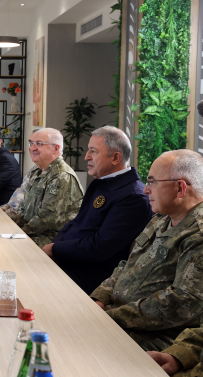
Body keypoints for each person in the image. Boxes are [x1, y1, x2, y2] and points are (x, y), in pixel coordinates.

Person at [91, 150, 203, 352]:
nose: (145, 190)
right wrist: (100, 298)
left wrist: (109, 316)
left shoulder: (201, 234)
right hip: (119, 316)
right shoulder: (161, 218)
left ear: (180, 188)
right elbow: (128, 263)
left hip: (159, 335)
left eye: (152, 182)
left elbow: (180, 304)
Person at [42, 126, 152, 294]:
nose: (86, 156)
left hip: (92, 275)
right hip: (69, 260)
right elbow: (76, 222)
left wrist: (56, 250)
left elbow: (100, 248)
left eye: (93, 151)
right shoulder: (101, 183)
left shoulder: (134, 197)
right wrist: (55, 248)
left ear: (116, 157)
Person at [6, 128, 84, 247]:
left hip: (52, 239)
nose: (32, 148)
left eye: (39, 144)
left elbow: (45, 220)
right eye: (31, 143)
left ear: (56, 148)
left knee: (7, 248)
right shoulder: (37, 172)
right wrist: (8, 224)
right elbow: (23, 210)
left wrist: (16, 233)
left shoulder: (62, 177)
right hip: (32, 232)